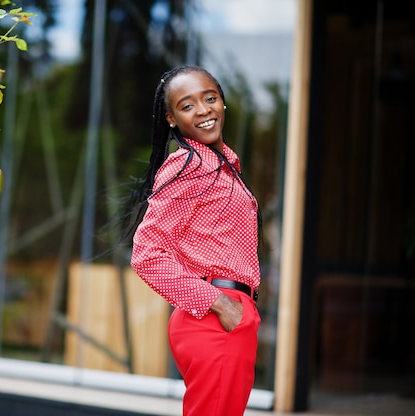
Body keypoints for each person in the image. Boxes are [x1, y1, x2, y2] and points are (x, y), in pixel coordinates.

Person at [126, 65, 262, 415]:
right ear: (171, 119)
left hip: (227, 316)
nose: (203, 111)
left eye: (210, 98)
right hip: (214, 317)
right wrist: (221, 304)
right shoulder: (190, 164)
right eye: (187, 106)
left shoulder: (224, 166)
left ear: (223, 102)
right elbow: (147, 254)